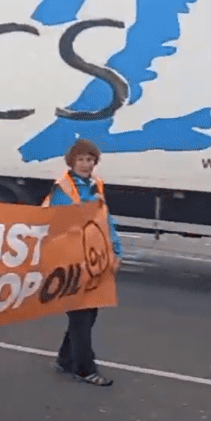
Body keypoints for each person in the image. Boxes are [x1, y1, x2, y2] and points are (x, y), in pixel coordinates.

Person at [46, 138, 122, 387]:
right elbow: (59, 223)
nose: (86, 164)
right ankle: (84, 367)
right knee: (81, 313)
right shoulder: (64, 188)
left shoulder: (95, 185)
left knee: (88, 313)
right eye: (81, 159)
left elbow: (105, 219)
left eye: (90, 160)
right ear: (72, 161)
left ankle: (65, 359)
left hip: (94, 258)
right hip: (72, 261)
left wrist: (115, 251)